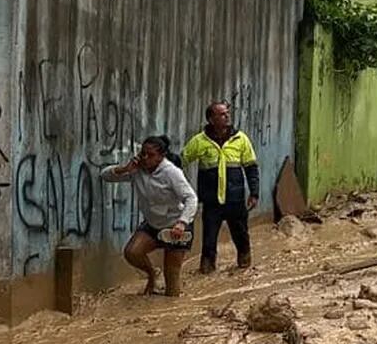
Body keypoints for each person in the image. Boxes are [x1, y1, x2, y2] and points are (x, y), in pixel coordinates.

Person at [101, 136, 197, 297]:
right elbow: (105, 176)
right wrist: (125, 169)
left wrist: (182, 222)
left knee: (172, 290)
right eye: (143, 154)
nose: (145, 158)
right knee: (132, 252)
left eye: (150, 155)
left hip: (176, 227)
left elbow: (191, 198)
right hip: (152, 225)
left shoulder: (172, 173)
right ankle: (152, 275)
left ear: (161, 156)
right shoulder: (136, 170)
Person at [182, 101, 260, 274]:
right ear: (211, 119)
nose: (227, 116)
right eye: (222, 114)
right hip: (212, 202)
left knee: (241, 237)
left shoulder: (240, 139)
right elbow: (181, 161)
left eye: (227, 113)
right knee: (208, 241)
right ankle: (206, 270)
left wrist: (254, 193)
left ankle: (244, 266)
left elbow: (251, 167)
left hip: (235, 199)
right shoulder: (199, 142)